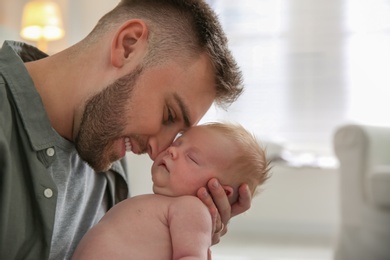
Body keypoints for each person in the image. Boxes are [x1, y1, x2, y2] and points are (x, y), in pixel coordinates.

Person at [0, 1, 250, 259]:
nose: (159, 152)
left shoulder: (104, 147)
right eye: (169, 115)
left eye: (178, 136)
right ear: (128, 45)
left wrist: (186, 231)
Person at [71, 122, 270, 260]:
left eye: (192, 158)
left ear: (218, 190)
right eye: (177, 143)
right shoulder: (163, 206)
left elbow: (192, 256)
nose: (172, 151)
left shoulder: (192, 209)